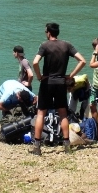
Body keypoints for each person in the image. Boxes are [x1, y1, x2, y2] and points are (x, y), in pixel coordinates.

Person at [31, 22, 86, 155]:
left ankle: (37, 147)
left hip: (47, 82)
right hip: (61, 82)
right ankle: (67, 146)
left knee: (41, 114)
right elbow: (82, 61)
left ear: (49, 33)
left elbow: (35, 62)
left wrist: (39, 76)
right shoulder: (66, 45)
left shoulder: (44, 45)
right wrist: (70, 75)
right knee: (63, 114)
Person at [89, 37, 98, 126]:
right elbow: (91, 63)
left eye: (97, 46)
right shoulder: (95, 55)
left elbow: (91, 65)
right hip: (95, 86)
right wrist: (95, 53)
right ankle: (95, 126)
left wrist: (95, 53)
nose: (95, 49)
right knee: (92, 105)